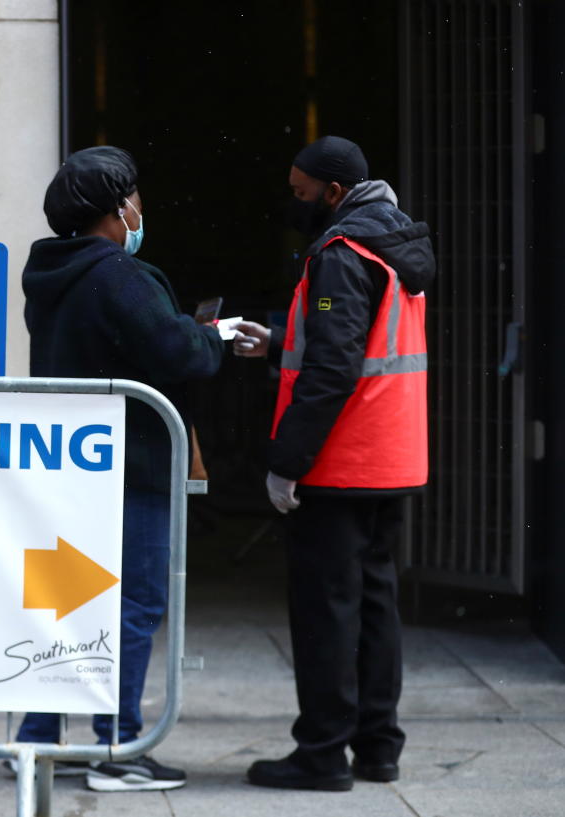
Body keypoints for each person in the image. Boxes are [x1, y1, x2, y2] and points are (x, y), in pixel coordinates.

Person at [15, 146, 223, 792]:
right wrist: (213, 337)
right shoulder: (117, 274)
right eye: (133, 197)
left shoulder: (51, 272)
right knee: (134, 600)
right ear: (116, 208)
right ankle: (118, 743)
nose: (141, 208)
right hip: (130, 465)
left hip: (72, 464)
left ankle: (37, 738)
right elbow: (176, 351)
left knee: (67, 599)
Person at [234, 135, 436, 791]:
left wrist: (286, 462)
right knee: (375, 606)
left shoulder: (339, 254)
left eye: (301, 193)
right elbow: (343, 333)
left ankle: (321, 752)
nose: (295, 205)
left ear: (335, 192)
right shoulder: (392, 243)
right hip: (390, 457)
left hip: (340, 462)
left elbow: (333, 361)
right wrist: (279, 340)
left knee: (327, 612)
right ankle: (378, 747)